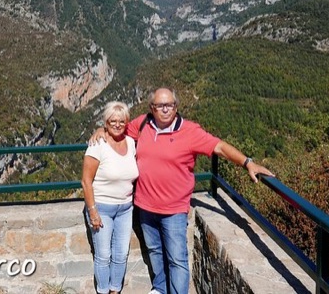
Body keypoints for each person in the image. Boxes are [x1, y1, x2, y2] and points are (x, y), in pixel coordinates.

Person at [91, 87, 275, 294]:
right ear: (152, 108)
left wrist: (247, 162)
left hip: (174, 209)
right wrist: (101, 131)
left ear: (176, 106)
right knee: (155, 252)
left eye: (170, 105)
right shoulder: (143, 123)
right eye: (160, 106)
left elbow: (219, 147)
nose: (165, 110)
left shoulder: (190, 131)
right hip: (145, 206)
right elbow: (118, 128)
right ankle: (160, 288)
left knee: (177, 259)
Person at [81, 101, 140, 294]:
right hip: (102, 208)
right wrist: (93, 211)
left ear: (127, 122)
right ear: (105, 122)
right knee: (103, 255)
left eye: (121, 121)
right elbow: (86, 182)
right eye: (112, 121)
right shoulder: (98, 144)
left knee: (121, 254)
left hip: (125, 208)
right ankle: (103, 290)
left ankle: (115, 290)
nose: (117, 124)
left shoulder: (131, 143)